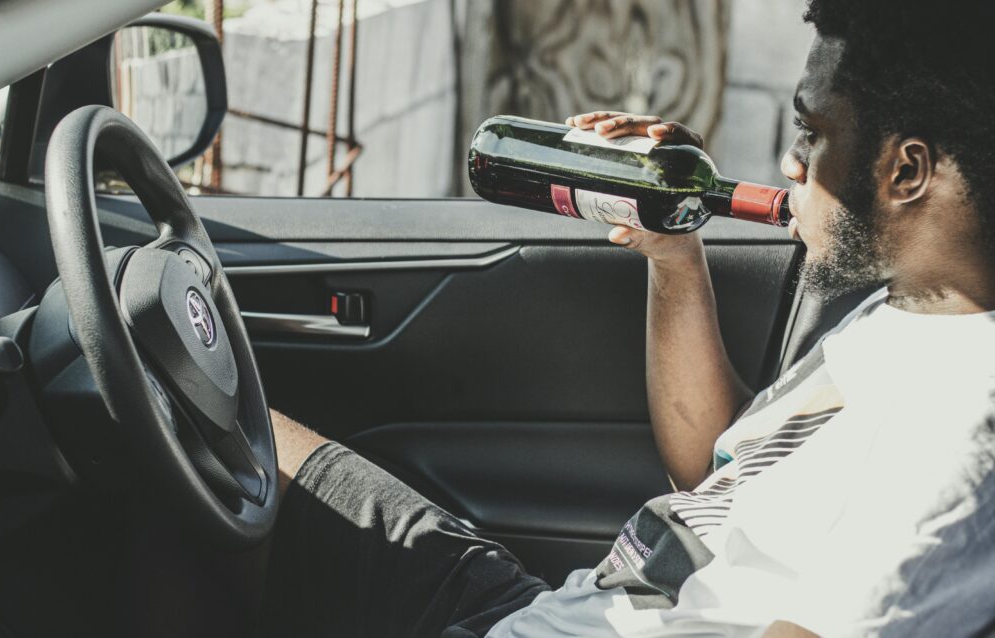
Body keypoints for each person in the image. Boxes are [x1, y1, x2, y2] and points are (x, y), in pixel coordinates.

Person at [260, 1, 995, 635]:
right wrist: (673, 254)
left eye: (812, 133)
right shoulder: (909, 306)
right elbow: (712, 466)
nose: (789, 161)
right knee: (225, 425)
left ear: (906, 172)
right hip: (545, 611)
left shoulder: (958, 441)